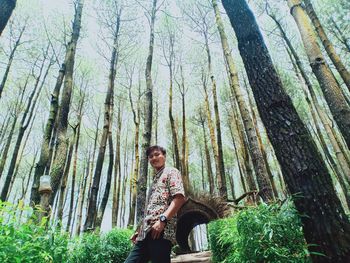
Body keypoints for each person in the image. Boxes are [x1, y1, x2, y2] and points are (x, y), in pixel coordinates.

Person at [124, 145, 186, 263]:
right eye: (150, 156)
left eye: (157, 154)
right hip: (145, 233)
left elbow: (179, 198)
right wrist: (139, 230)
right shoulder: (154, 181)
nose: (154, 158)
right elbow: (150, 209)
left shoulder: (171, 172)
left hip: (161, 231)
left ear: (164, 156)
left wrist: (162, 220)